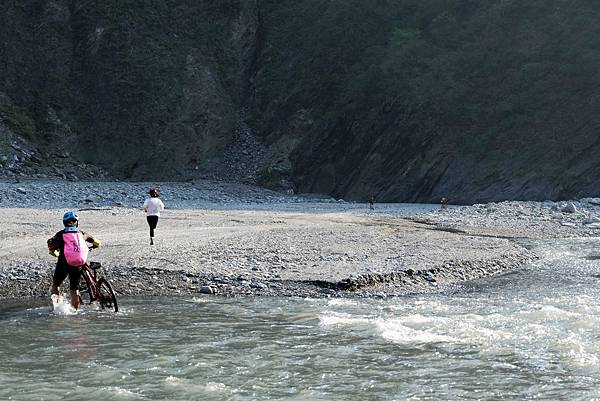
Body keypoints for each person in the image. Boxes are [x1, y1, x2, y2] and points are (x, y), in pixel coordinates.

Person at [47, 211, 101, 310]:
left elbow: (51, 244)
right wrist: (96, 245)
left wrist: (53, 253)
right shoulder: (82, 233)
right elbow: (97, 242)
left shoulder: (60, 235)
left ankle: (57, 308)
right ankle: (75, 312)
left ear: (64, 222)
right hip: (78, 263)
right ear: (77, 222)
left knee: (56, 284)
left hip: (64, 262)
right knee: (74, 289)